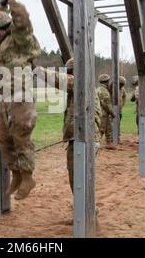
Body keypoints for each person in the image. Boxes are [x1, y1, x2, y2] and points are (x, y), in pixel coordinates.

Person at [0, 0, 41, 200]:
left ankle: (28, 176)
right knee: (5, 140)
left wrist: (13, 2)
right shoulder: (0, 45)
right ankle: (17, 175)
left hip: (20, 96)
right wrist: (0, 8)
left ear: (6, 26)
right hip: (4, 99)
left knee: (21, 136)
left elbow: (23, 20)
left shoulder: (20, 38)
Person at [35, 59, 102, 194]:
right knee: (83, 177)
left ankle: (82, 213)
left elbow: (59, 79)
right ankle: (85, 211)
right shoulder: (87, 84)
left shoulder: (80, 81)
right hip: (89, 137)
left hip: (81, 139)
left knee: (77, 178)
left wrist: (37, 70)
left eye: (69, 72)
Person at [98, 74, 116, 150]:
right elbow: (106, 104)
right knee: (101, 129)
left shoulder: (98, 89)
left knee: (109, 128)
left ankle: (109, 143)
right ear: (107, 82)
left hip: (104, 113)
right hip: (103, 113)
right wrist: (112, 113)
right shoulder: (104, 91)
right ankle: (95, 143)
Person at [108, 76, 127, 143]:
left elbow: (124, 96)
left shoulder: (122, 89)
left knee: (118, 123)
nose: (122, 85)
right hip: (112, 108)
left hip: (119, 109)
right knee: (111, 123)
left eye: (123, 84)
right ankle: (111, 138)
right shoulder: (112, 87)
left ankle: (117, 137)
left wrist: (122, 104)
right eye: (121, 84)